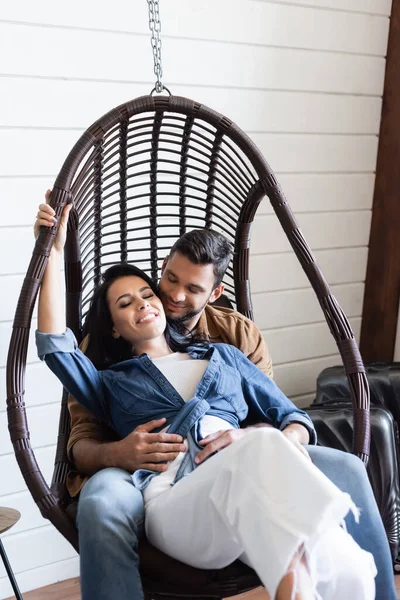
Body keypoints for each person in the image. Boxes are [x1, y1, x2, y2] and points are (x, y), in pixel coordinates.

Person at [34, 200, 377, 600]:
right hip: (176, 498)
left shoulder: (226, 354)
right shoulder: (109, 382)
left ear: (213, 293)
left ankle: (302, 586)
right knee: (265, 452)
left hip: (245, 493)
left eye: (146, 294)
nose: (146, 302)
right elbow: (54, 346)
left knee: (348, 570)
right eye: (125, 303)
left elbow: (292, 417)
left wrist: (258, 439)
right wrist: (53, 253)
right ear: (112, 327)